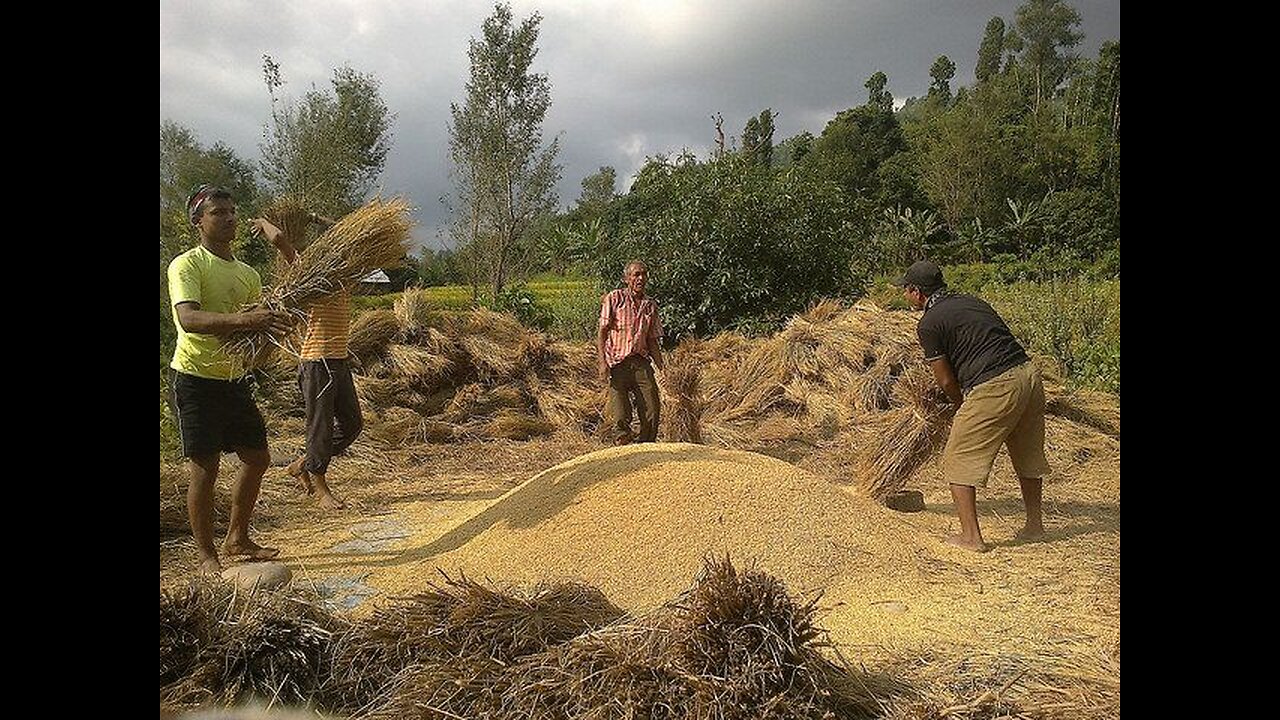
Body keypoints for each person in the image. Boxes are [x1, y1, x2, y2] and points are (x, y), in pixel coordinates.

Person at [167, 185, 292, 574]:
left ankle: (237, 537)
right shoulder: (187, 265)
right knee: (205, 468)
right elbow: (189, 319)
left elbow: (253, 331)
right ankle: (206, 555)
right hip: (195, 377)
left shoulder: (247, 274)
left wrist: (274, 330)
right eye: (218, 212)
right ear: (198, 222)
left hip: (234, 378)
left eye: (233, 211)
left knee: (257, 458)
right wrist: (248, 320)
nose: (229, 218)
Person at [895, 260, 1050, 552]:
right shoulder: (971, 301)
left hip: (995, 385)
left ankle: (971, 538)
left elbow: (944, 379)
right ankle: (1034, 526)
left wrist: (960, 406)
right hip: (1028, 376)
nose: (905, 296)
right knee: (1027, 452)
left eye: (906, 290)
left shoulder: (928, 324)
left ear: (917, 292)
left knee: (957, 457)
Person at [253, 212, 361, 510]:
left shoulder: (345, 277)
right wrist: (263, 223)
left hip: (339, 361)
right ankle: (321, 487)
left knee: (353, 425)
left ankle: (302, 464)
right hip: (316, 362)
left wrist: (314, 217)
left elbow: (344, 229)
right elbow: (279, 240)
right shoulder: (310, 277)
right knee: (320, 427)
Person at [597, 260, 665, 444]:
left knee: (652, 407)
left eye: (644, 274)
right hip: (617, 364)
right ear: (626, 278)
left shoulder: (650, 305)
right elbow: (602, 332)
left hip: (640, 363)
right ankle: (622, 446)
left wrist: (662, 368)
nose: (640, 278)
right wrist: (602, 363)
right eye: (636, 274)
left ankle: (645, 445)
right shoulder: (615, 299)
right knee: (620, 413)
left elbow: (652, 340)